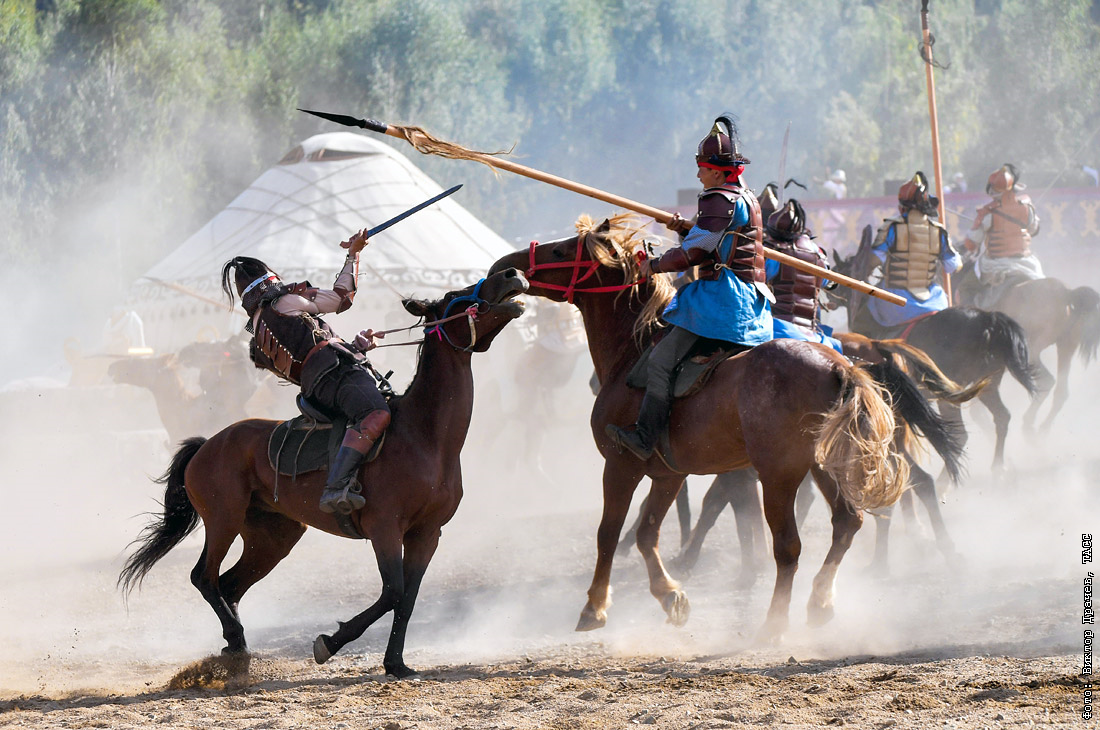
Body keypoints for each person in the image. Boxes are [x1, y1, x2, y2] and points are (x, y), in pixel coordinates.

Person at [606, 114, 773, 461]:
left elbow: (697, 252)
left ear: (715, 170)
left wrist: (652, 265)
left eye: (701, 167)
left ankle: (645, 438)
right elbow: (717, 239)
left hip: (723, 301)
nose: (698, 174)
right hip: (753, 304)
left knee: (662, 360)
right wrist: (686, 227)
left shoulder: (717, 199)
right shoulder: (747, 198)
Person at [220, 229, 390, 515]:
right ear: (269, 280)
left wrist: (357, 346)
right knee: (377, 414)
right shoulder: (284, 302)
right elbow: (340, 299)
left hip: (317, 389)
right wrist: (353, 254)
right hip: (336, 377)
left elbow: (308, 358)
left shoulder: (259, 337)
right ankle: (337, 486)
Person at [866, 171, 961, 329]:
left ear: (902, 206)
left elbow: (874, 260)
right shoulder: (939, 231)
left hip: (896, 303)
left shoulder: (891, 228)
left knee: (864, 315)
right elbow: (953, 266)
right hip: (934, 302)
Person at [763, 199, 843, 353]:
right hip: (813, 334)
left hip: (775, 328)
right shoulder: (817, 253)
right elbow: (826, 282)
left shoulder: (770, 251)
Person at [960, 163, 1042, 309]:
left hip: (995, 265)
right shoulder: (1027, 208)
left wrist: (975, 229)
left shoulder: (987, 213)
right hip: (1026, 262)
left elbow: (971, 244)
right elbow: (1034, 229)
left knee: (964, 288)